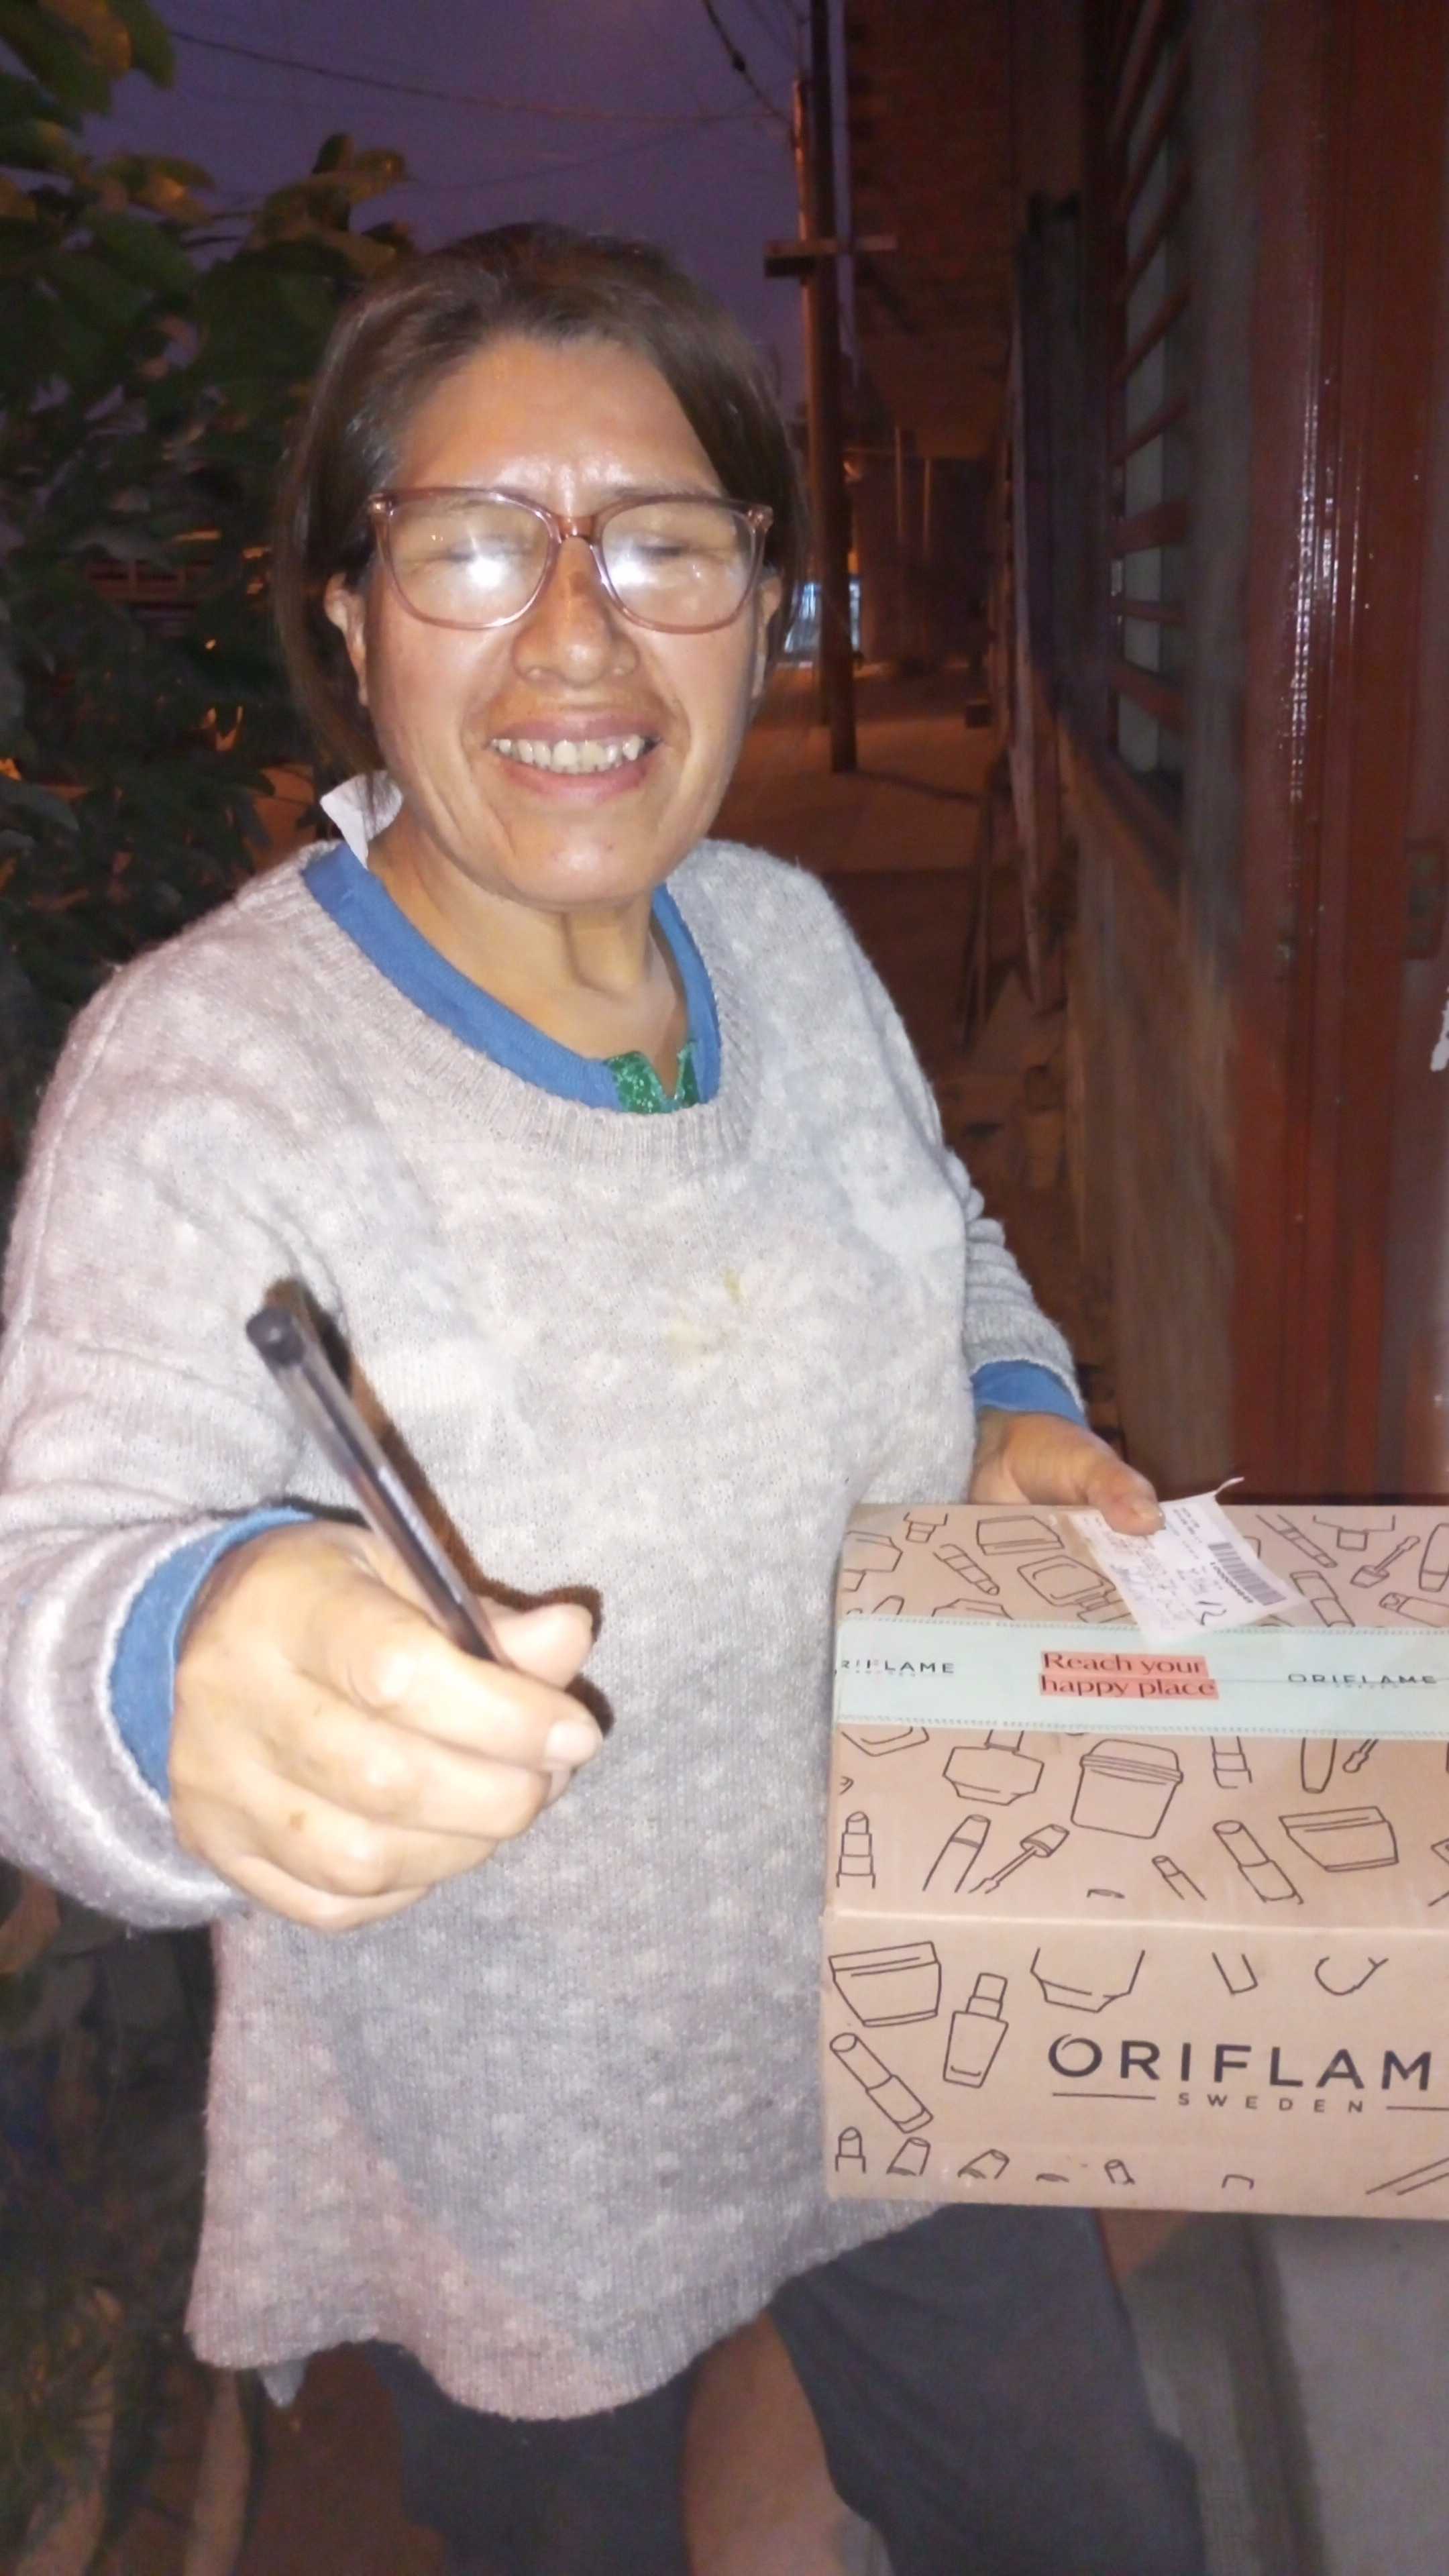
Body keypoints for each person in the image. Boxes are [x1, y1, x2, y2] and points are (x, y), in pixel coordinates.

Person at [0, 225, 1203, 2576]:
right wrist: (187, 1662)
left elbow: (948, 1229)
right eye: (473, 545)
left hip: (902, 1984)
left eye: (663, 543)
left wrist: (1007, 1407)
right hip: (519, 2142)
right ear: (351, 614)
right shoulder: (211, 1073)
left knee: (1091, 2522)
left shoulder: (781, 936)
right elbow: (52, 1585)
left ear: (759, 599)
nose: (578, 633)